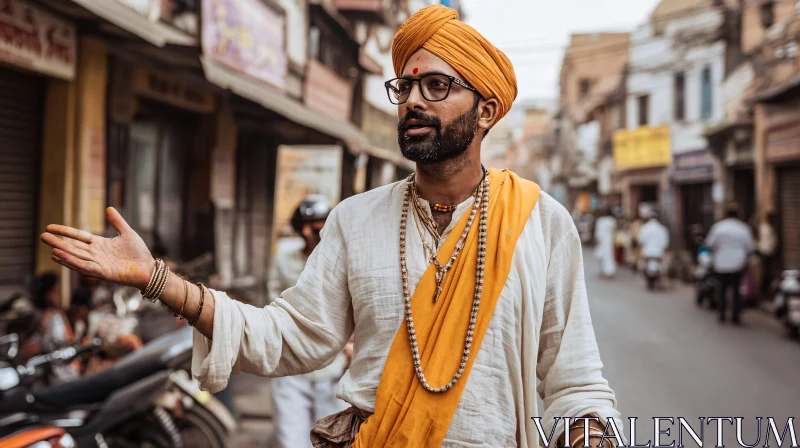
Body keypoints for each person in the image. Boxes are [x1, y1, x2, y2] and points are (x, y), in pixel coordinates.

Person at [41, 6, 623, 448]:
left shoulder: (541, 224)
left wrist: (589, 434)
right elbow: (287, 336)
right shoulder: (356, 219)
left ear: (487, 110)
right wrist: (157, 279)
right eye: (405, 87)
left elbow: (575, 381)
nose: (413, 101)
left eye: (437, 86)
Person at [268, 195, 351, 448]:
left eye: (314, 227)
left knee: (333, 441)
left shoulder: (344, 259)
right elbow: (273, 305)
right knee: (292, 441)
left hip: (334, 369)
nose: (306, 232)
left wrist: (351, 344)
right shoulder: (283, 258)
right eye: (301, 226)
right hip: (291, 366)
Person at [705, 204, 756, 324]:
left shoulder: (718, 227)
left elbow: (709, 244)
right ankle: (735, 316)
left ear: (725, 214)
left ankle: (722, 314)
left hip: (721, 264)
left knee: (722, 290)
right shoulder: (744, 228)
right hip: (737, 264)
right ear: (738, 214)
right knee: (736, 290)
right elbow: (750, 247)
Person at [757, 210, 778, 296]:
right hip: (765, 252)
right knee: (767, 272)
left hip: (766, 252)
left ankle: (765, 291)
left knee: (767, 272)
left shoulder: (766, 228)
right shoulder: (765, 228)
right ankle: (764, 291)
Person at [594, 208, 618, 278]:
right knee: (609, 256)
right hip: (609, 241)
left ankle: (605, 271)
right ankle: (609, 271)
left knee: (604, 257)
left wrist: (597, 242)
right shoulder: (612, 221)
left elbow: (598, 233)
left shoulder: (601, 220)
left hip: (603, 241)